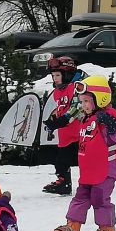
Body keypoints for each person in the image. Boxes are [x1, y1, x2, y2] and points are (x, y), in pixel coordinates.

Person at [52, 76, 116, 231]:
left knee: (100, 198)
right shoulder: (87, 116)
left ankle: (107, 229)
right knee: (80, 196)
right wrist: (56, 123)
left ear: (100, 98)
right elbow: (71, 116)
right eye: (82, 101)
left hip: (106, 168)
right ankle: (72, 228)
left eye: (87, 101)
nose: (84, 105)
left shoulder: (110, 116)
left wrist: (111, 123)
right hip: (89, 169)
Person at [42, 56, 87, 195]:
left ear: (66, 74)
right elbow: (60, 108)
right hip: (65, 133)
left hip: (79, 132)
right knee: (61, 160)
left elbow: (78, 107)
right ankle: (63, 183)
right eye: (53, 75)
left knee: (84, 160)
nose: (55, 78)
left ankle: (93, 181)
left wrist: (63, 120)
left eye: (58, 75)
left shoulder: (76, 87)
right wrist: (53, 119)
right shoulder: (57, 91)